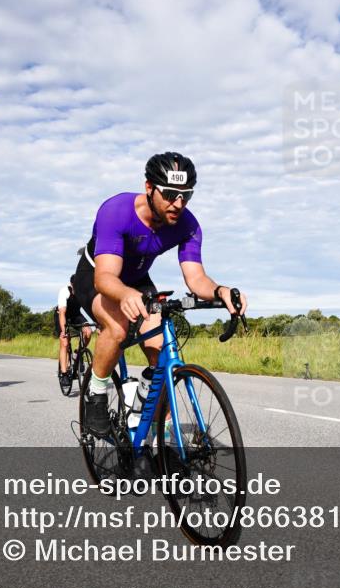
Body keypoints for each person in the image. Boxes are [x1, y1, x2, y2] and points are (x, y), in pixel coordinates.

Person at [74, 152, 246, 435]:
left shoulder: (187, 225)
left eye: (186, 196)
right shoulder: (116, 211)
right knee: (117, 325)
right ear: (149, 188)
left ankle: (151, 431)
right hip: (97, 274)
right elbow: (106, 278)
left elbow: (196, 278)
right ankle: (96, 392)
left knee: (161, 352)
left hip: (138, 280)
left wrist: (220, 291)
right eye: (169, 194)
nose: (178, 204)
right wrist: (126, 295)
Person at [56, 277, 94, 390]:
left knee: (88, 332)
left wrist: (98, 324)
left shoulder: (83, 293)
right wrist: (64, 331)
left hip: (76, 316)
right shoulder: (64, 292)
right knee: (65, 341)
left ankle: (79, 352)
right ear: (71, 285)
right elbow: (62, 312)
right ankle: (64, 374)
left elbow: (91, 309)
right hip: (63, 315)